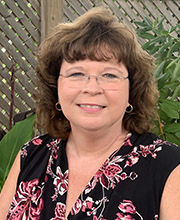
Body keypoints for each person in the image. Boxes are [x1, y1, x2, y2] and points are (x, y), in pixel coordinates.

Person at [0, 7, 180, 220]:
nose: (92, 88)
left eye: (109, 75)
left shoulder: (168, 167)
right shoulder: (31, 156)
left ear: (132, 90)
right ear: (56, 87)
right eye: (76, 73)